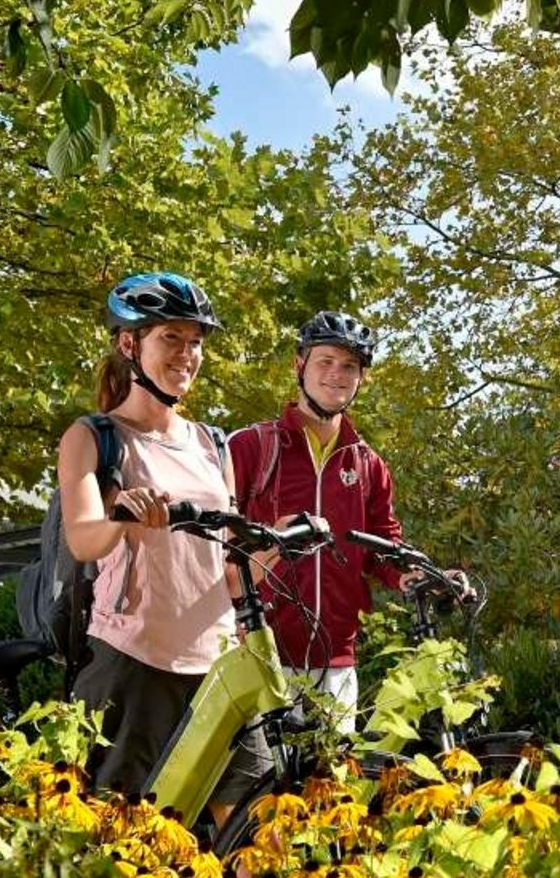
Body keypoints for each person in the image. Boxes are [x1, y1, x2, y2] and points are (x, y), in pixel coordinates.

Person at [58, 272, 269, 807]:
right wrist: (124, 516)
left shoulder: (212, 444)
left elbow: (223, 564)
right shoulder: (94, 437)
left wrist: (271, 550)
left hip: (219, 664)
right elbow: (84, 539)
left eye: (195, 342)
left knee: (253, 821)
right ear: (130, 344)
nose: (187, 354)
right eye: (170, 338)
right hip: (135, 661)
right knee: (119, 837)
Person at [228, 311, 413, 731]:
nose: (337, 374)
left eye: (349, 366)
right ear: (300, 365)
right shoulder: (252, 447)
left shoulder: (367, 464)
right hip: (259, 652)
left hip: (335, 663)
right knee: (261, 792)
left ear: (362, 377)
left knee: (331, 788)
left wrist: (412, 575)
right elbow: (212, 547)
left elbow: (381, 545)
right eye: (325, 361)